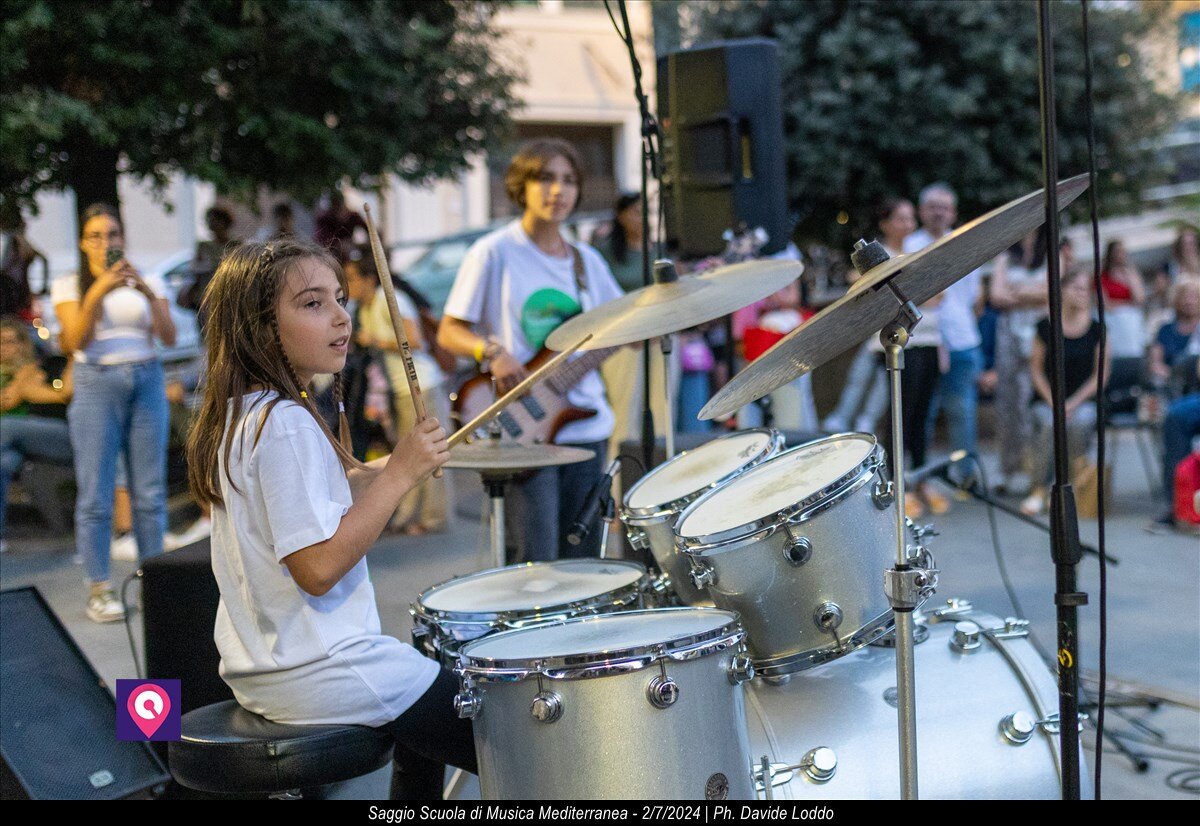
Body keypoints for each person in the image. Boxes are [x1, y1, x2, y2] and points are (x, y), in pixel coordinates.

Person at [185, 239, 471, 798]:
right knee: (509, 735)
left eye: (340, 298)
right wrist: (398, 478)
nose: (342, 315)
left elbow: (320, 489)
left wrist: (394, 462)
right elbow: (316, 568)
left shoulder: (247, 413)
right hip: (322, 669)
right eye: (313, 304)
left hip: (270, 671)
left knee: (428, 709)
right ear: (260, 328)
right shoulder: (286, 423)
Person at [438, 138, 622, 562]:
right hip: (523, 429)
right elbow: (449, 331)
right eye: (545, 178)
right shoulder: (493, 252)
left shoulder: (586, 261)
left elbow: (621, 323)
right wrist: (490, 352)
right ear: (522, 185)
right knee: (533, 565)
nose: (558, 191)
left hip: (586, 430)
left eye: (569, 181)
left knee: (583, 564)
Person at [51, 204, 176, 622]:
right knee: (97, 493)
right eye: (97, 235)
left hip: (146, 377)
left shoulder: (148, 278)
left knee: (150, 493)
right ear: (84, 243)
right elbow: (73, 341)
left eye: (113, 234)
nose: (107, 242)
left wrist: (142, 289)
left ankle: (155, 584)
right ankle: (100, 588)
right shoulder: (70, 284)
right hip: (96, 382)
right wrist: (100, 289)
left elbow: (169, 336)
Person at [350, 248, 449, 535]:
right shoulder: (364, 308)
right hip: (399, 389)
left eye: (353, 279)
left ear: (369, 279)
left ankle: (432, 517)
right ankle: (409, 514)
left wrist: (376, 341)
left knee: (430, 454)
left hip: (421, 385)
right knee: (408, 453)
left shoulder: (390, 300)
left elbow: (415, 341)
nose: (349, 286)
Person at [904, 183, 984, 466]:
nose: (939, 213)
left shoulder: (964, 244)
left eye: (945, 207)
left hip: (962, 340)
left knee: (962, 411)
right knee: (920, 413)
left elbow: (976, 299)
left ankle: (967, 475)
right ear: (922, 211)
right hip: (923, 343)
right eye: (933, 206)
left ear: (953, 212)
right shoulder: (909, 246)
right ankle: (920, 477)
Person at [1022, 268, 1110, 516]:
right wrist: (1055, 402)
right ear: (1062, 291)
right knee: (1052, 423)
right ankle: (1040, 487)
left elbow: (1100, 375)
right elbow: (1036, 370)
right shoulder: (1044, 326)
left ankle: (1069, 485)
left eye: (1086, 289)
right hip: (1048, 401)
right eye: (1077, 288)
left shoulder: (1098, 329)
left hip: (1083, 401)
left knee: (1080, 422)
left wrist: (1072, 403)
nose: (1083, 294)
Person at [822, 197, 913, 435]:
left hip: (904, 334)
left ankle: (866, 421)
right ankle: (841, 418)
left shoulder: (914, 250)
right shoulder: (880, 253)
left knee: (885, 386)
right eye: (900, 219)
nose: (907, 224)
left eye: (909, 219)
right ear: (885, 223)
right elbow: (856, 280)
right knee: (859, 378)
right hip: (877, 332)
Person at [0, 316, 73, 551]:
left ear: (24, 344)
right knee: (4, 462)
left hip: (54, 434)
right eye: (1, 342)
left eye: (11, 342)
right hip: (14, 447)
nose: (6, 348)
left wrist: (22, 382)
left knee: (5, 427)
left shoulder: (38, 367)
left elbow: (59, 395)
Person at [987, 228, 1049, 496]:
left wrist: (1016, 292)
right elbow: (997, 296)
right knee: (1009, 403)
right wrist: (1032, 294)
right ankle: (1007, 469)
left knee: (1035, 404)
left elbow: (1052, 293)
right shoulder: (1005, 256)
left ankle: (1037, 472)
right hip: (1010, 336)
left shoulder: (1050, 253)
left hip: (1039, 335)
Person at [1099, 239, 1146, 358]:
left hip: (1131, 318)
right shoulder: (1102, 277)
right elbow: (1104, 304)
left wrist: (1130, 278)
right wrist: (1126, 304)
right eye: (1117, 251)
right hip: (1111, 320)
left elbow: (1139, 299)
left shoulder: (1131, 273)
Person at [1149, 278, 1200, 384]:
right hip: (1172, 382)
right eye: (1185, 297)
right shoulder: (1165, 329)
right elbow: (1155, 362)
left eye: (1194, 297)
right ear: (1176, 300)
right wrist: (1166, 373)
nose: (1189, 302)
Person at [314, 191, 367, 263]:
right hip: (330, 254)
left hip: (349, 252)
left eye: (340, 206)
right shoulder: (324, 219)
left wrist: (362, 245)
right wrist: (339, 244)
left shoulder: (353, 216)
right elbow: (320, 241)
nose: (338, 211)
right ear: (332, 206)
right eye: (336, 206)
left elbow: (369, 230)